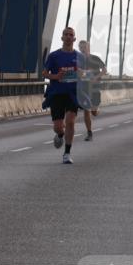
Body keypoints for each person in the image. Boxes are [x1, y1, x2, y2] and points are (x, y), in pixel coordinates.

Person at [41, 27, 81, 164]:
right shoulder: (54, 56)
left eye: (71, 35)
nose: (69, 37)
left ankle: (67, 153)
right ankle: (60, 134)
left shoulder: (79, 57)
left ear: (74, 39)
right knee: (58, 126)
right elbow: (44, 74)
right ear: (62, 37)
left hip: (73, 94)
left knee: (70, 122)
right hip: (57, 93)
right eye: (66, 34)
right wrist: (56, 76)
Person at [77, 40, 107, 140]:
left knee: (93, 112)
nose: (82, 49)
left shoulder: (95, 58)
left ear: (88, 48)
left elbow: (104, 70)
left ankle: (97, 110)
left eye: (84, 47)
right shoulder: (78, 60)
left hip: (94, 88)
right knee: (86, 110)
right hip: (83, 88)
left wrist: (96, 77)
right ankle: (89, 133)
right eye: (80, 47)